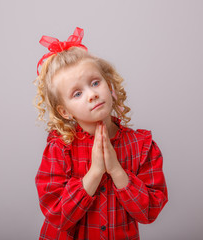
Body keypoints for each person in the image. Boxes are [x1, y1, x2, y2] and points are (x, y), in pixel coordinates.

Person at [34, 27, 168, 240]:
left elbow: (149, 212)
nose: (92, 95)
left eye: (95, 83)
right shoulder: (59, 148)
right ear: (64, 111)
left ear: (110, 85)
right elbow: (57, 216)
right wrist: (95, 172)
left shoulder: (142, 146)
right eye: (77, 93)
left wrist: (116, 170)